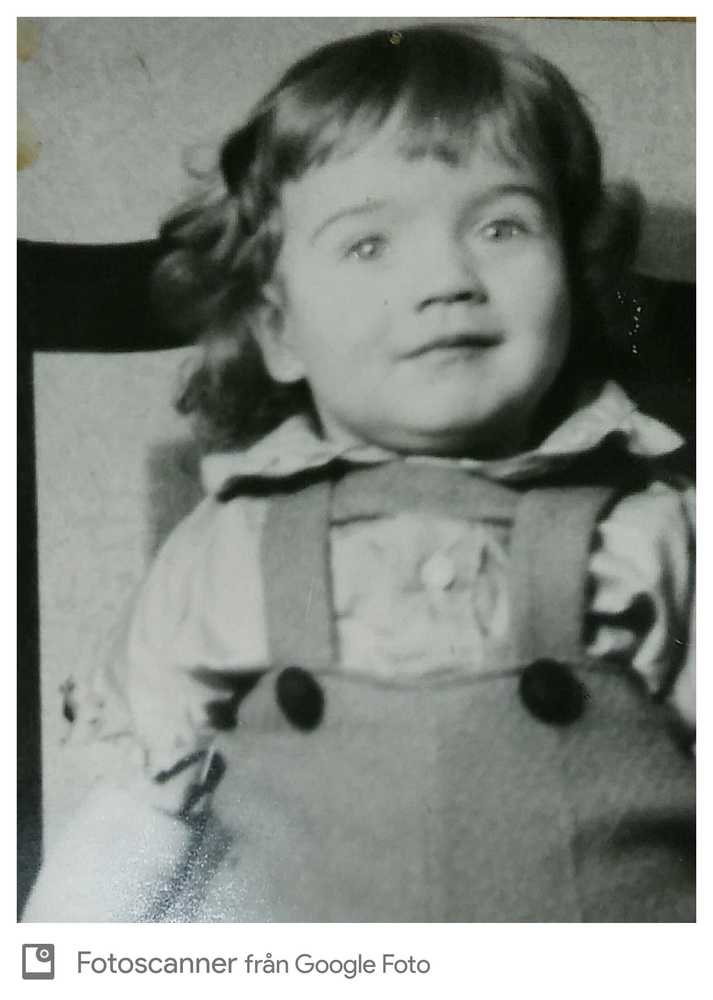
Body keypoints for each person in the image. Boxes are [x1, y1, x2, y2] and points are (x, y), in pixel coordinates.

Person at [24, 23, 695, 922]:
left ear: (573, 279)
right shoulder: (229, 551)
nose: (446, 277)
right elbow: (126, 828)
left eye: (501, 225)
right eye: (368, 245)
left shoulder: (653, 530)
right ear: (278, 330)